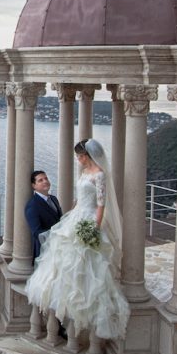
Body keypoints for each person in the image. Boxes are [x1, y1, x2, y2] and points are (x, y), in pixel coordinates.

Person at [25, 139, 130, 340]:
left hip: (90, 219)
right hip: (77, 216)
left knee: (89, 265)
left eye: (80, 156)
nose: (78, 160)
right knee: (63, 263)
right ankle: (64, 312)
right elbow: (80, 199)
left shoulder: (99, 175)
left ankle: (84, 310)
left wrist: (94, 229)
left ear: (87, 155)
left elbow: (101, 205)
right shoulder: (83, 173)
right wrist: (70, 215)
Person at [25, 170, 63, 263]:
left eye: (46, 178)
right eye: (40, 180)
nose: (45, 181)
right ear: (34, 186)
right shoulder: (32, 205)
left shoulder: (54, 199)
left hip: (59, 248)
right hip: (44, 252)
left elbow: (59, 220)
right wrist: (58, 233)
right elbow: (37, 233)